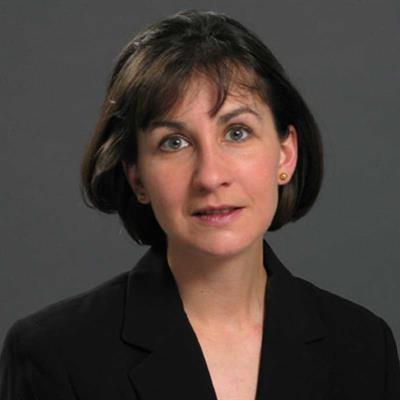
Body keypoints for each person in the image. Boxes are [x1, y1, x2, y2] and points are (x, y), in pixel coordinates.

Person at [1, 9, 399, 400]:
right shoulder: (53, 356)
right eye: (174, 142)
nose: (210, 176)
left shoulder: (364, 347)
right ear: (137, 176)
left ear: (285, 154)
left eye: (237, 132)